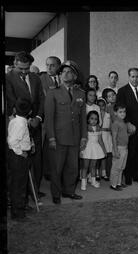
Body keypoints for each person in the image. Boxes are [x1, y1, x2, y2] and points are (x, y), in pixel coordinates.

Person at [44, 60, 87, 204]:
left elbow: (82, 118)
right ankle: (56, 194)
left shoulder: (80, 93)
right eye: (63, 72)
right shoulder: (53, 92)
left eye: (69, 72)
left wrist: (84, 137)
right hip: (59, 138)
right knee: (57, 168)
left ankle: (69, 191)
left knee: (73, 168)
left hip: (75, 137)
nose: (65, 74)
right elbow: (49, 118)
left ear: (75, 76)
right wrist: (51, 138)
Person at [6, 51, 45, 199]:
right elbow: (11, 102)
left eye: (26, 68)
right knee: (18, 165)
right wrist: (23, 120)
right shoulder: (8, 78)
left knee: (36, 162)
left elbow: (41, 100)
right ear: (15, 64)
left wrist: (38, 117)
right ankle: (15, 198)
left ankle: (33, 191)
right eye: (20, 68)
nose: (23, 72)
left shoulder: (35, 78)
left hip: (35, 125)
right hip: (19, 127)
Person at [116, 67, 138, 185]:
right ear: (129, 77)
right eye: (132, 76)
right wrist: (127, 123)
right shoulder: (122, 91)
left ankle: (137, 175)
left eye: (137, 76)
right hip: (129, 128)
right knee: (130, 152)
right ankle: (127, 176)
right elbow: (119, 109)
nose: (135, 79)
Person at [7, 98, 32, 220]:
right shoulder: (21, 123)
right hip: (18, 157)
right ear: (30, 111)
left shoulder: (15, 121)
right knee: (19, 186)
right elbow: (12, 141)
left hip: (15, 156)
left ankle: (18, 209)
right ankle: (18, 213)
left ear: (14, 109)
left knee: (17, 184)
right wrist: (21, 152)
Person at [39, 56, 62, 182]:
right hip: (46, 120)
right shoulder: (40, 79)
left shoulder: (63, 78)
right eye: (47, 64)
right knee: (45, 147)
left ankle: (56, 171)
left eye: (52, 65)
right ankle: (46, 172)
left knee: (58, 147)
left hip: (61, 120)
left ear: (58, 66)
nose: (49, 67)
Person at [80, 111, 106, 190]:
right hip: (87, 148)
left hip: (95, 149)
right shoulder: (85, 128)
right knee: (85, 166)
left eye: (95, 119)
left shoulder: (98, 128)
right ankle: (83, 183)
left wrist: (104, 150)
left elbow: (100, 141)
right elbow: (83, 140)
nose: (94, 120)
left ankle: (93, 181)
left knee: (93, 166)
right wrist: (81, 150)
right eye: (91, 118)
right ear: (88, 119)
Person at [110, 104, 130, 190]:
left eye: (124, 112)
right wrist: (115, 150)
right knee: (116, 167)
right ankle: (113, 184)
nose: (123, 114)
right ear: (115, 113)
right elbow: (114, 138)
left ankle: (118, 183)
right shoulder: (115, 123)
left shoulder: (124, 123)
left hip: (125, 148)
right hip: (118, 148)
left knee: (121, 167)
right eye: (120, 112)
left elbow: (124, 135)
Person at [97, 98, 113, 180]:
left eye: (102, 106)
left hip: (107, 137)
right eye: (99, 106)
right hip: (99, 136)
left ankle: (104, 173)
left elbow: (110, 127)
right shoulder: (96, 115)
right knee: (98, 155)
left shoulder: (108, 115)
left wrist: (106, 129)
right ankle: (96, 173)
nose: (101, 107)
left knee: (105, 155)